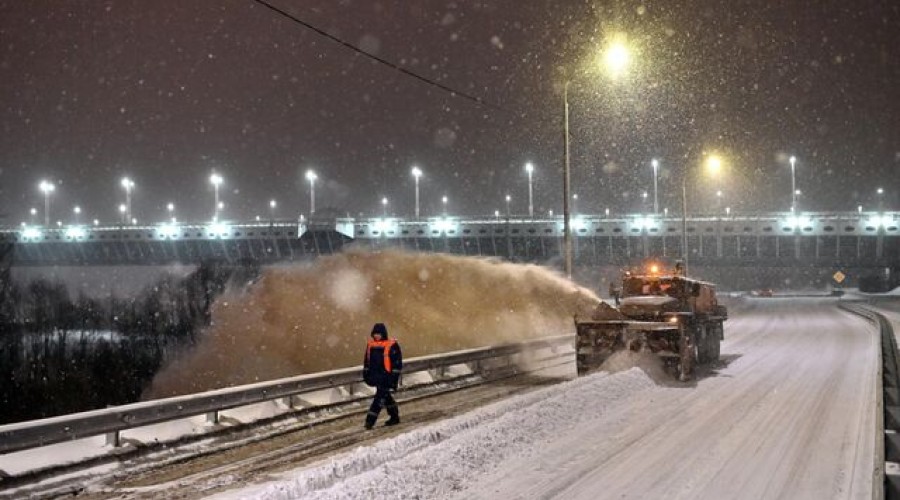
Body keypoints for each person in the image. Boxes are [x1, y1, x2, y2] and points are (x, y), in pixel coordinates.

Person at [362, 322, 402, 429]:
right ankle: (394, 416)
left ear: (383, 333)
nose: (376, 336)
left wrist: (393, 378)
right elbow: (367, 361)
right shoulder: (371, 345)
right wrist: (366, 374)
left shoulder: (392, 345)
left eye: (378, 333)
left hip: (387, 378)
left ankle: (369, 422)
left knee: (378, 400)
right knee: (386, 397)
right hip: (376, 377)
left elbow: (397, 363)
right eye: (375, 333)